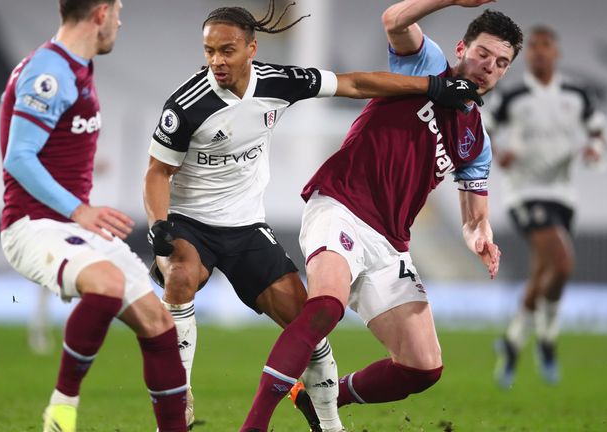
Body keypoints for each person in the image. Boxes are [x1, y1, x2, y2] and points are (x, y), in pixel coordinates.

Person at [144, 1, 481, 430]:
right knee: (180, 277)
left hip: (246, 226)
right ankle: (178, 402)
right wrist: (158, 224)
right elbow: (157, 172)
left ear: (251, 48)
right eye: (209, 51)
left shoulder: (279, 82)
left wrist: (431, 88)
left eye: (226, 50)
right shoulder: (187, 105)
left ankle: (327, 422)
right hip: (191, 221)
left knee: (310, 326)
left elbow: (356, 83)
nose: (216, 61)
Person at [240, 1, 522, 431]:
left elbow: (474, 217)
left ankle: (318, 402)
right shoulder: (426, 64)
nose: (489, 66)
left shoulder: (477, 141)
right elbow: (394, 19)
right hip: (341, 205)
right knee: (324, 307)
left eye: (501, 63)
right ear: (462, 47)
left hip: (390, 243)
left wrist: (478, 236)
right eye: (483, 53)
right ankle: (254, 425)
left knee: (422, 368)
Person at [0, 1, 187, 431]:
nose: (122, 20)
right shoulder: (50, 73)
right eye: (118, 9)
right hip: (34, 225)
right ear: (100, 13)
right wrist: (79, 209)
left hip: (71, 227)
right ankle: (61, 411)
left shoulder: (76, 67)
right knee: (107, 283)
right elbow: (18, 157)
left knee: (159, 325)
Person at [488, 26, 606, 388]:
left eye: (545, 46)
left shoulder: (576, 93)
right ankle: (548, 339)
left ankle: (511, 342)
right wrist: (498, 152)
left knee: (543, 274)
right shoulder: (513, 94)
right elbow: (484, 130)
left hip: (562, 195)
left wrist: (594, 151)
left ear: (556, 53)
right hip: (524, 193)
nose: (539, 52)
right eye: (534, 48)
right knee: (563, 263)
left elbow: (597, 131)